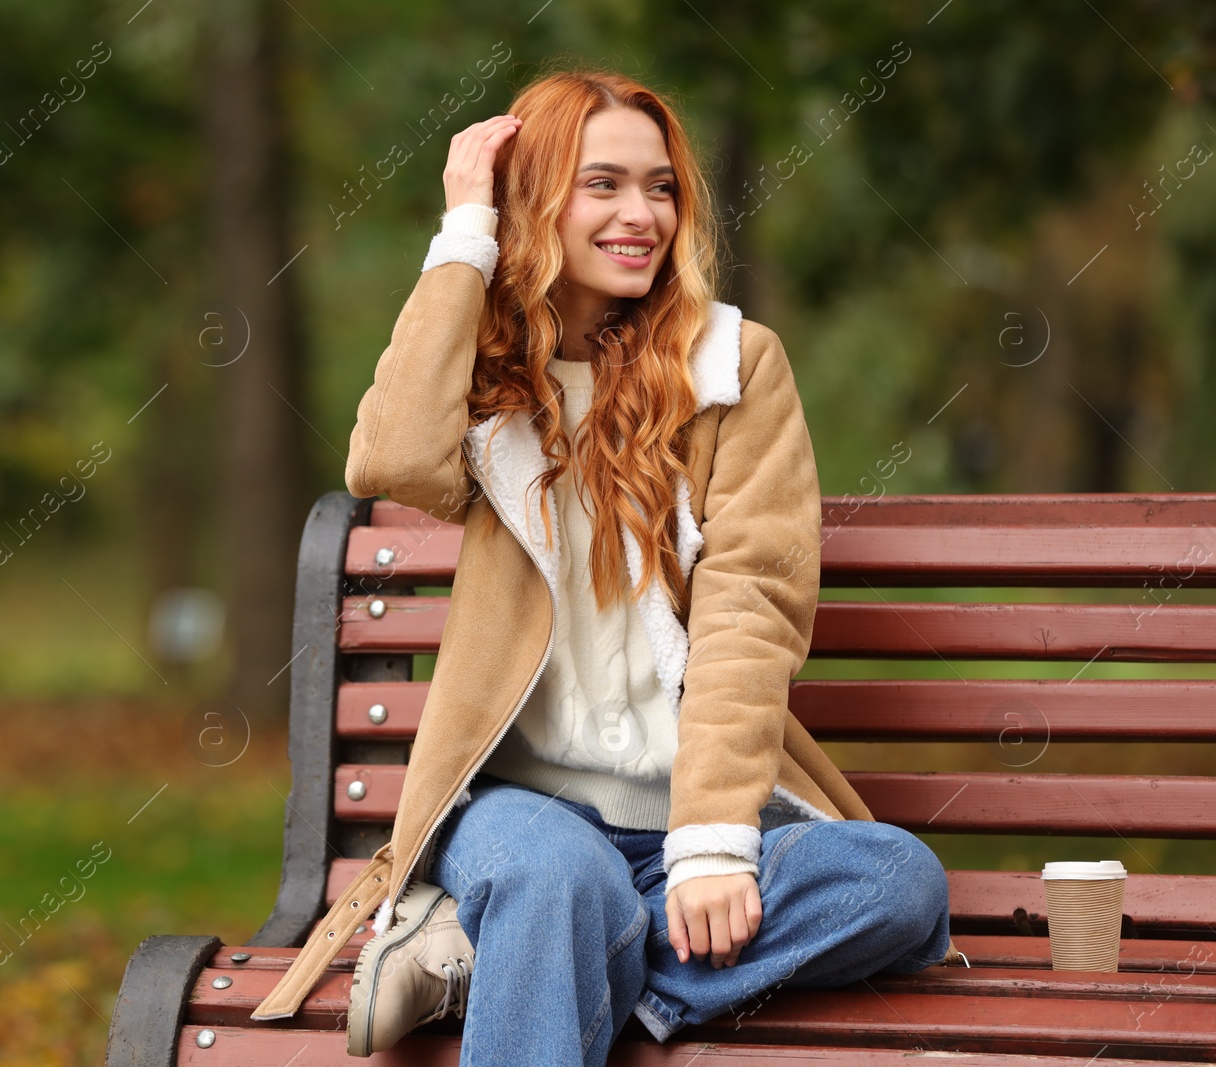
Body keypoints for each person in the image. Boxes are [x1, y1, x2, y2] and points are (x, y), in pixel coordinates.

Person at [248, 67, 960, 1065]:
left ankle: (522, 960)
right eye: (603, 185)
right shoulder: (487, 377)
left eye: (661, 187)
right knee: (559, 881)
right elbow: (389, 457)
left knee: (895, 884)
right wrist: (464, 232)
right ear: (533, 202)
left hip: (689, 820)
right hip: (521, 814)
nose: (642, 214)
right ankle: (553, 934)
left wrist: (712, 839)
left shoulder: (733, 366)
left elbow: (751, 603)